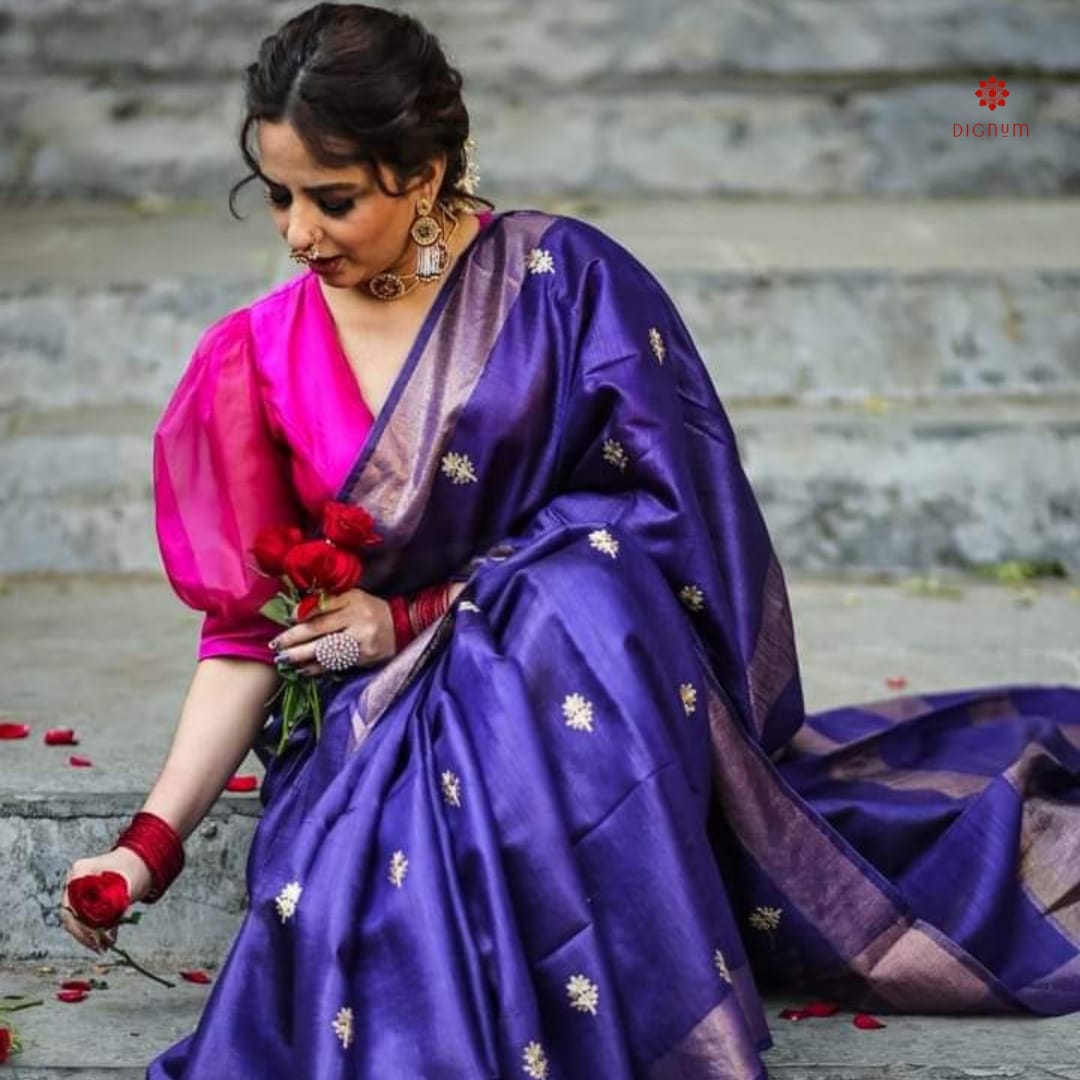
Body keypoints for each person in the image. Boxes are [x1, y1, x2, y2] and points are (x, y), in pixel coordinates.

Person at [59, 4, 1080, 1076]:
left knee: (574, 592)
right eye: (277, 196)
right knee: (526, 640)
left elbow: (672, 530)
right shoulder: (254, 359)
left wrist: (422, 612)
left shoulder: (565, 284)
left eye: (334, 199)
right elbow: (245, 638)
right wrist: (146, 848)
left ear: (425, 173)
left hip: (585, 676)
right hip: (377, 721)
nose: (297, 234)